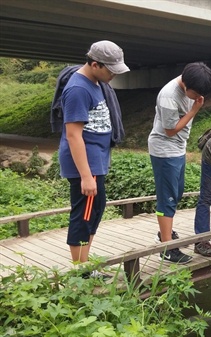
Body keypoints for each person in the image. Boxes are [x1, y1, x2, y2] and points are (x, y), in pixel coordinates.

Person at [58, 40, 129, 275]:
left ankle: (86, 266)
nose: (113, 75)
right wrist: (86, 176)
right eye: (111, 70)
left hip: (95, 162)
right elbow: (73, 135)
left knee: (95, 211)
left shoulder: (96, 82)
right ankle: (81, 272)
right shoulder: (78, 89)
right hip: (84, 166)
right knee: (83, 214)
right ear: (95, 64)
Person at [148, 62, 211, 263]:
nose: (197, 98)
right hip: (164, 149)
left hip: (178, 148)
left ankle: (165, 233)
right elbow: (170, 130)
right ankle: (167, 248)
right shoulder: (169, 96)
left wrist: (194, 103)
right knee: (167, 198)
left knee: (176, 193)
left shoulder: (191, 82)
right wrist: (194, 109)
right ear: (186, 85)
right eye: (195, 94)